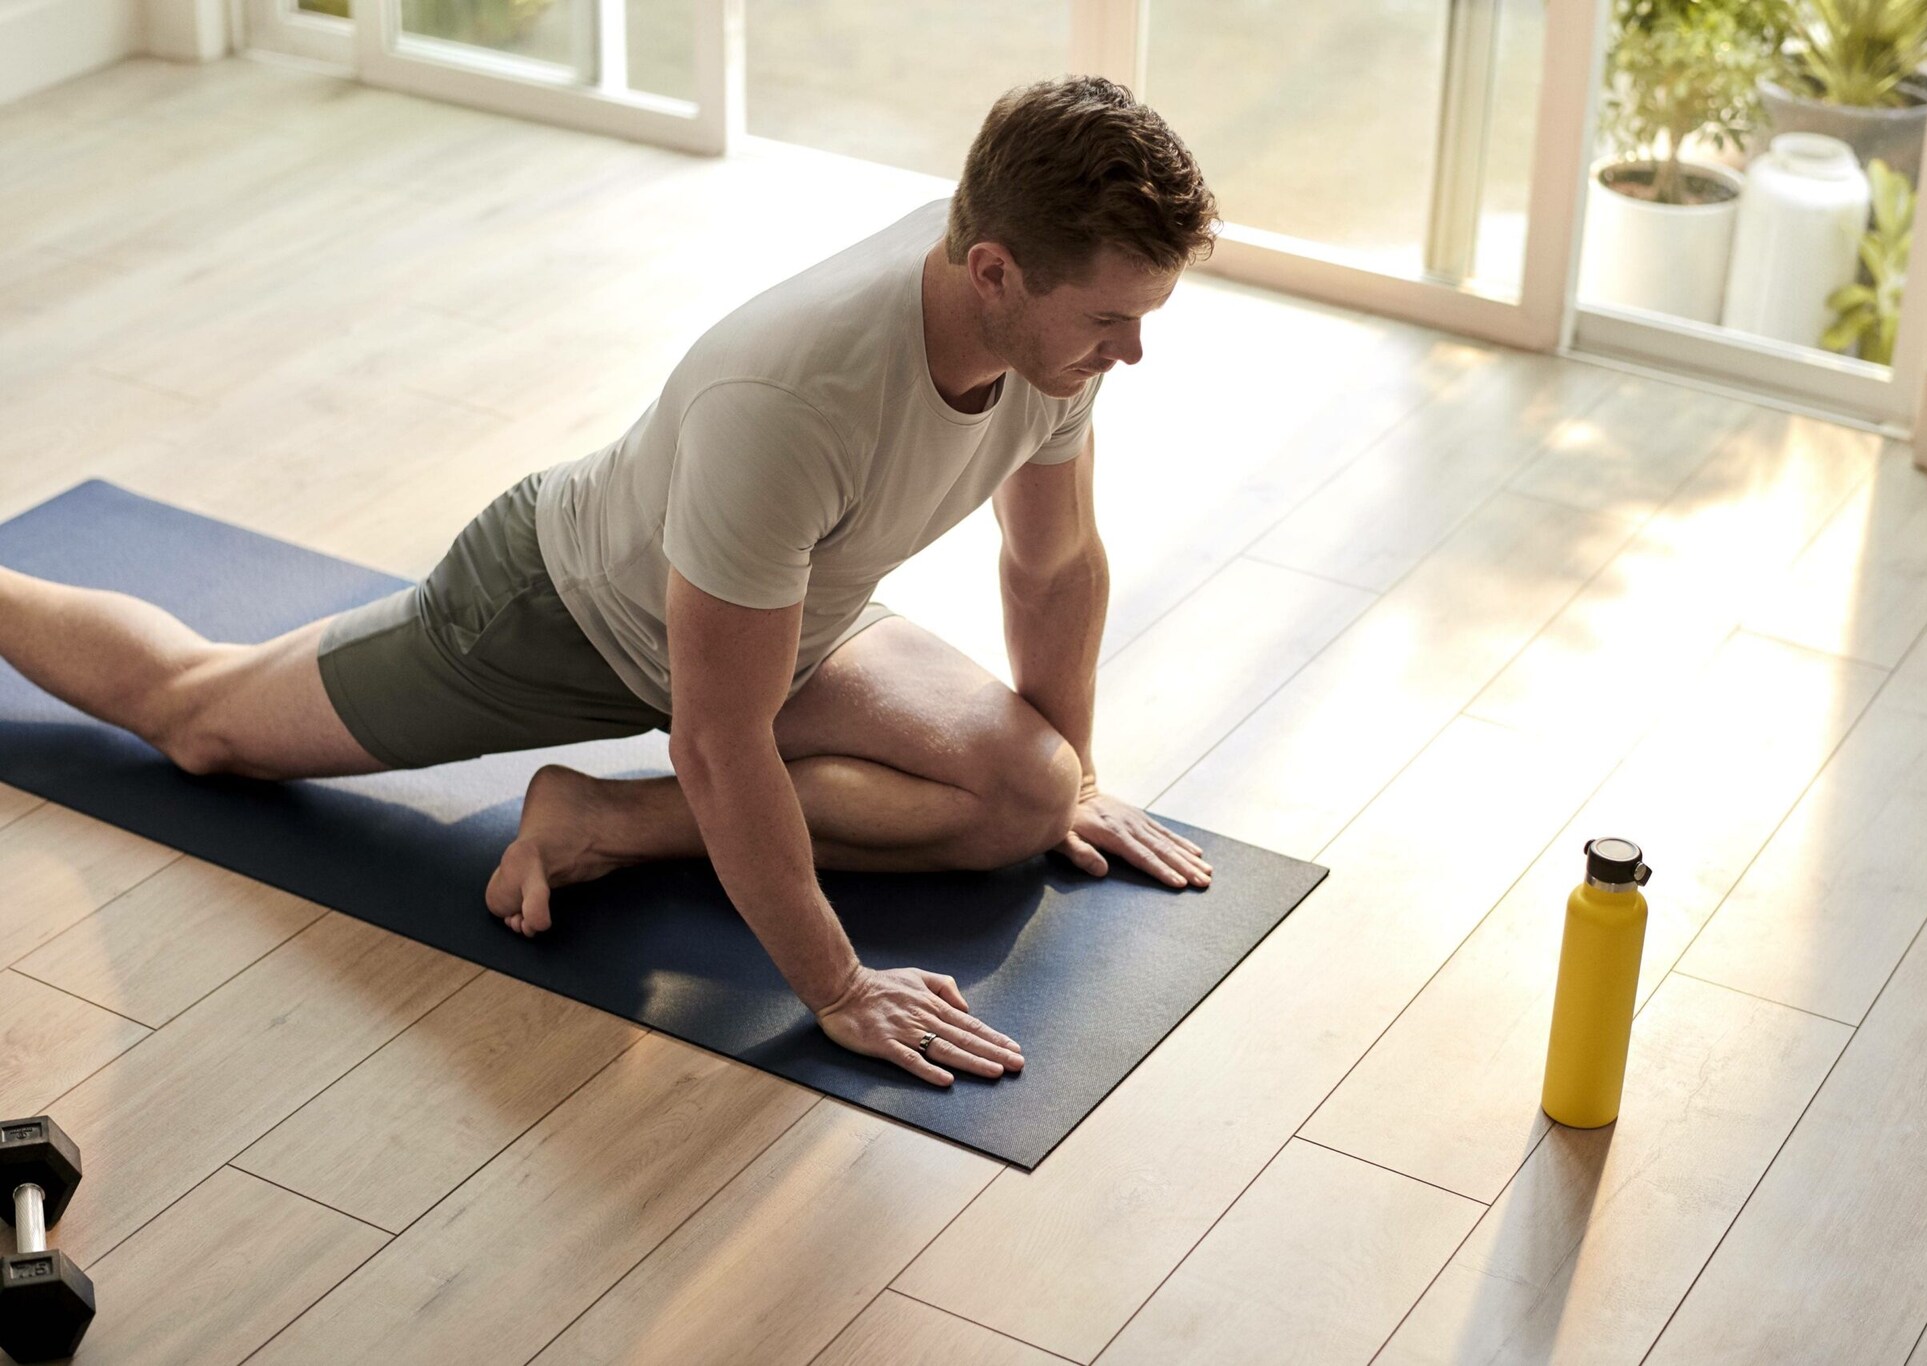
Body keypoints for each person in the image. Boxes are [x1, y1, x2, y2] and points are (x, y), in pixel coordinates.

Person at [0, 75, 1219, 1087]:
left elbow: (1051, 561)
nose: (1133, 352)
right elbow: (717, 737)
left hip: (790, 612)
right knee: (202, 722)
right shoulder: (791, 397)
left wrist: (1082, 777)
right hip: (557, 611)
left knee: (1025, 793)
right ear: (993, 270)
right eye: (1111, 320)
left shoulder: (1054, 329)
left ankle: (594, 819)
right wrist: (837, 987)